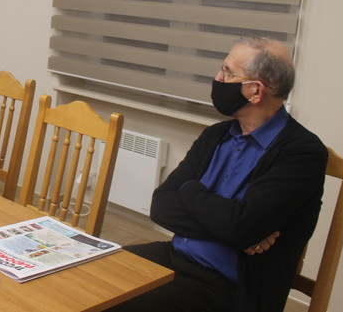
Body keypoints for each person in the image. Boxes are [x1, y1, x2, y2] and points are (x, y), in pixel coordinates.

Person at [106, 37, 327, 312]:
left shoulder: (302, 153)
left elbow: (241, 227)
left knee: (110, 303)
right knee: (90, 272)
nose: (218, 78)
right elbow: (161, 206)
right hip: (176, 255)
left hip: (229, 287)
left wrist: (190, 189)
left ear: (255, 91)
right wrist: (232, 230)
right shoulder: (216, 135)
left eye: (228, 72)